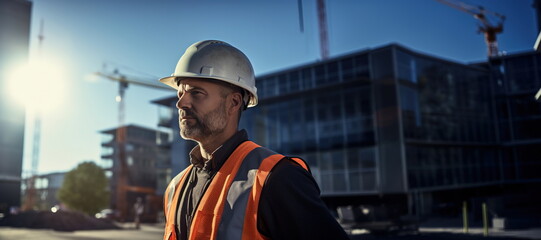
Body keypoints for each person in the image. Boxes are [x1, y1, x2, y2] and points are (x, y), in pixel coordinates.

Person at [159, 40, 349, 240]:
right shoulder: (175, 187)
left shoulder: (276, 178)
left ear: (233, 103)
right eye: (180, 93)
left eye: (196, 93)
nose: (181, 103)